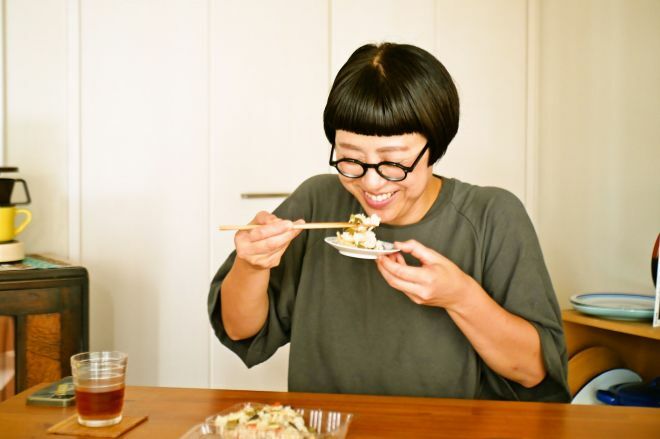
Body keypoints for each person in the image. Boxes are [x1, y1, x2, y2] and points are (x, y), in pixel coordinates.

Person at [208, 42, 570, 402]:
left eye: (393, 163)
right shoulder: (316, 200)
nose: (371, 183)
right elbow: (240, 330)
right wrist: (252, 264)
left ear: (435, 148)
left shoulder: (491, 216)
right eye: (350, 158)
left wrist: (460, 297)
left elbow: (533, 368)